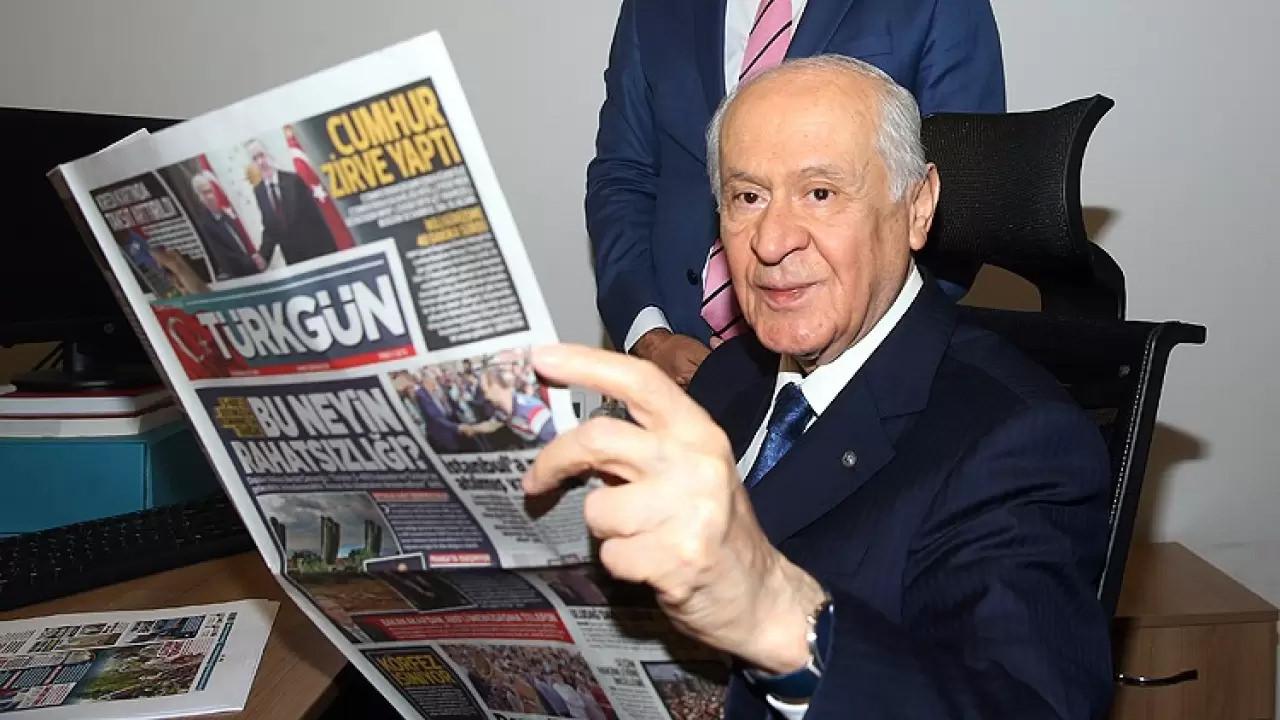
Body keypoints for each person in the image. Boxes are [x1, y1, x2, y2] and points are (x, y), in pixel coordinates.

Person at [528, 57, 1111, 718]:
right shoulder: (727, 375)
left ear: (917, 208)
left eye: (821, 193)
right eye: (748, 197)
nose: (772, 242)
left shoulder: (1017, 441)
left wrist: (780, 621)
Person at [587, 0, 1006, 386]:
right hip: (678, 371)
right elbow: (623, 175)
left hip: (859, 377)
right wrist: (650, 338)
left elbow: (960, 196)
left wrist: (840, 357)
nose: (770, 244)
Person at [246, 139, 338, 265]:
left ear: (269, 154)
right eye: (255, 159)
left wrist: (331, 255)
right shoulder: (259, 191)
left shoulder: (293, 181)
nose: (260, 162)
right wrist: (263, 256)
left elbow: (315, 218)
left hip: (315, 253)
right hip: (293, 260)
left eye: (262, 155)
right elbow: (270, 227)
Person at [189, 173, 263, 280]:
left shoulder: (229, 213)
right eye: (206, 192)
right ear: (200, 197)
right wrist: (253, 262)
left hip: (256, 269)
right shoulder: (205, 225)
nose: (212, 196)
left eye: (213, 190)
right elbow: (225, 259)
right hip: (241, 277)